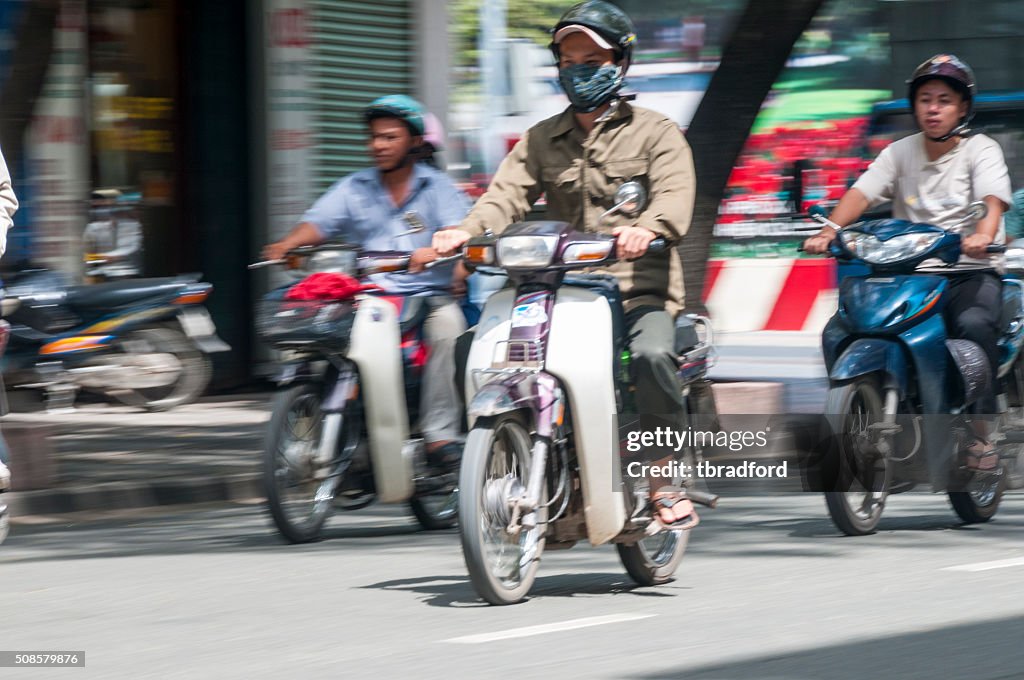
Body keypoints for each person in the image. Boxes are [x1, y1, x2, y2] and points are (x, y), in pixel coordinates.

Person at [432, 0, 699, 528]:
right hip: (558, 289)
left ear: (620, 63)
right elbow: (502, 197)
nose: (580, 71)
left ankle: (663, 477)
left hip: (634, 290)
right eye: (570, 60)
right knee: (474, 350)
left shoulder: (656, 132)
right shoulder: (539, 139)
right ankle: (496, 460)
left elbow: (674, 194)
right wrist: (463, 231)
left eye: (592, 60)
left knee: (649, 357)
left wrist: (647, 227)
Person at [803, 54, 1012, 471]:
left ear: (962, 108)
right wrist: (829, 230)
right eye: (925, 99)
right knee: (844, 324)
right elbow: (861, 195)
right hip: (909, 273)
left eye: (944, 100)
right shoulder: (898, 152)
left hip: (966, 271)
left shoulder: (980, 150)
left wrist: (983, 236)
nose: (933, 108)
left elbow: (992, 201)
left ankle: (982, 435)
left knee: (973, 325)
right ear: (914, 105)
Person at [263, 94, 471, 469]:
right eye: (374, 137)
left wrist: (439, 253)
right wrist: (287, 243)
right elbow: (320, 223)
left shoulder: (439, 188)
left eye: (389, 137)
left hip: (427, 295)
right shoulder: (354, 186)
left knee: (448, 328)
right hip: (369, 296)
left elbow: (459, 233)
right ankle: (342, 427)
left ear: (415, 142)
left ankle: (440, 435)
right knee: (323, 334)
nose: (377, 145)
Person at [83, 189, 143, 282]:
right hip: (101, 275)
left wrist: (98, 258)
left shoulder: (132, 226)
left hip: (127, 275)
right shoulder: (93, 228)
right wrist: (99, 259)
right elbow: (86, 257)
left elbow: (126, 252)